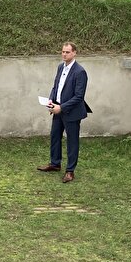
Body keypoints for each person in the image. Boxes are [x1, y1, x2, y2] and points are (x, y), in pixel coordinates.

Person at [38, 42, 91, 183]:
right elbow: (56, 86)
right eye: (63, 51)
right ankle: (55, 164)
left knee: (72, 141)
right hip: (58, 108)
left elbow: (79, 97)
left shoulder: (80, 72)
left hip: (72, 112)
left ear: (74, 53)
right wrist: (51, 100)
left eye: (67, 52)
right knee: (55, 136)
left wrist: (61, 108)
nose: (64, 54)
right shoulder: (60, 67)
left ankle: (70, 171)